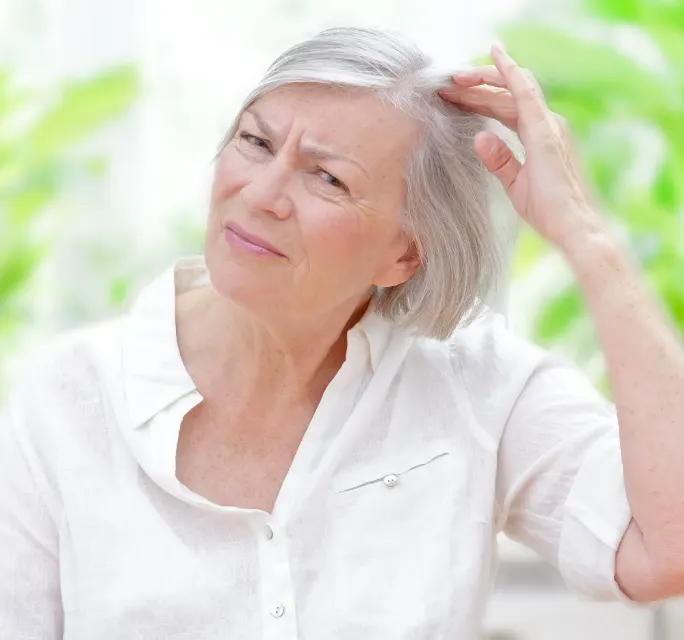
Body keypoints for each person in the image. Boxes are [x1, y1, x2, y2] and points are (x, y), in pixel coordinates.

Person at [1, 26, 684, 640]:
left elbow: (666, 551)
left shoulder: (477, 383)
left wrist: (588, 239)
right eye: (255, 141)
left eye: (326, 178)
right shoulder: (59, 401)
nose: (262, 193)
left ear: (403, 255)